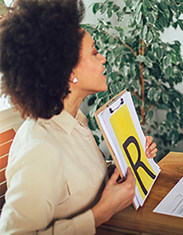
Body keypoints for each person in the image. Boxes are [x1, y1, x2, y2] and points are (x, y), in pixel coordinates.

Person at [0, 0, 157, 234]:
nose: (103, 58)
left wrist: (129, 162)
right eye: (95, 52)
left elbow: (81, 181)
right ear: (69, 71)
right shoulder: (38, 148)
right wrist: (101, 212)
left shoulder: (75, 120)